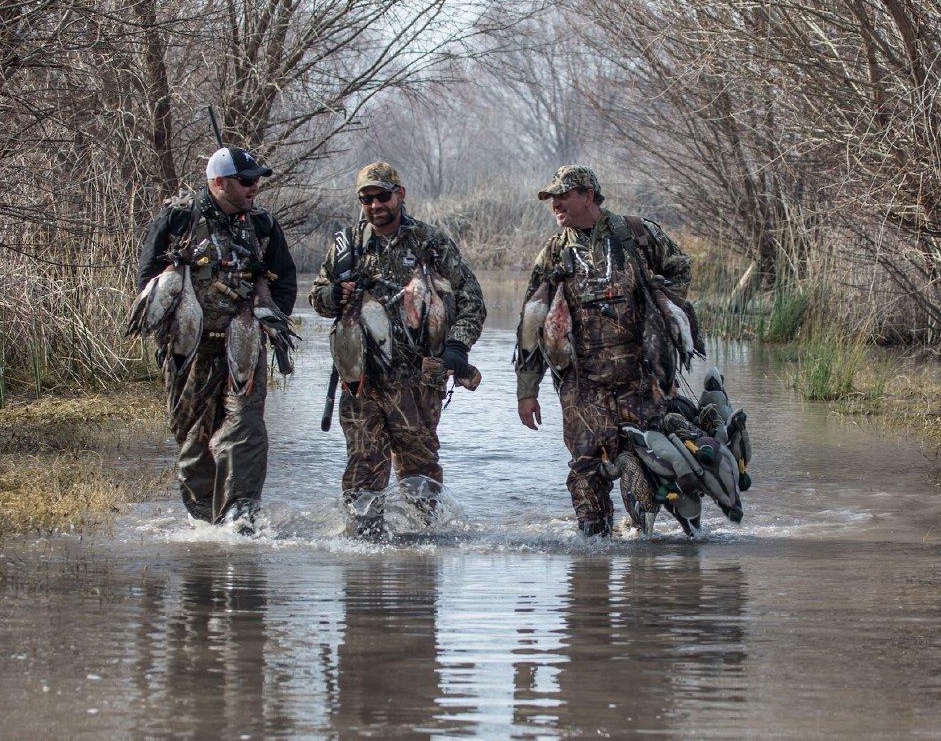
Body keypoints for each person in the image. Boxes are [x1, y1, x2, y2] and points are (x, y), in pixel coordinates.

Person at [310, 162, 486, 537]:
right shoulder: (347, 246)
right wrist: (330, 295)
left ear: (400, 194)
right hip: (360, 380)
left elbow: (472, 300)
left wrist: (456, 348)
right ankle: (363, 543)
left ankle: (424, 544)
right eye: (366, 198)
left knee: (419, 465)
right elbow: (318, 299)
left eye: (382, 196)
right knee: (363, 461)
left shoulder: (430, 242)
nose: (375, 205)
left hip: (417, 380)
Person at [514, 165, 691, 537]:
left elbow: (681, 269)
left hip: (640, 377)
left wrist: (662, 300)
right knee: (585, 466)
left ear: (588, 196)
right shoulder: (553, 253)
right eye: (551, 200)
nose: (556, 205)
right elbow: (532, 322)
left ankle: (647, 546)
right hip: (582, 383)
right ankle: (592, 551)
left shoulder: (637, 233)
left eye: (563, 197)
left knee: (650, 461)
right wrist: (527, 391)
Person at [137, 145, 297, 528]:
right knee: (192, 439)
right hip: (189, 348)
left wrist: (267, 319)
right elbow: (146, 281)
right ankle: (206, 521)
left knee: (246, 427)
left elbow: (286, 280)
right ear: (218, 182)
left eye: (256, 181)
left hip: (242, 345)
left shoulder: (262, 224)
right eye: (245, 181)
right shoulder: (177, 220)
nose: (253, 187)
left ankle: (241, 513)